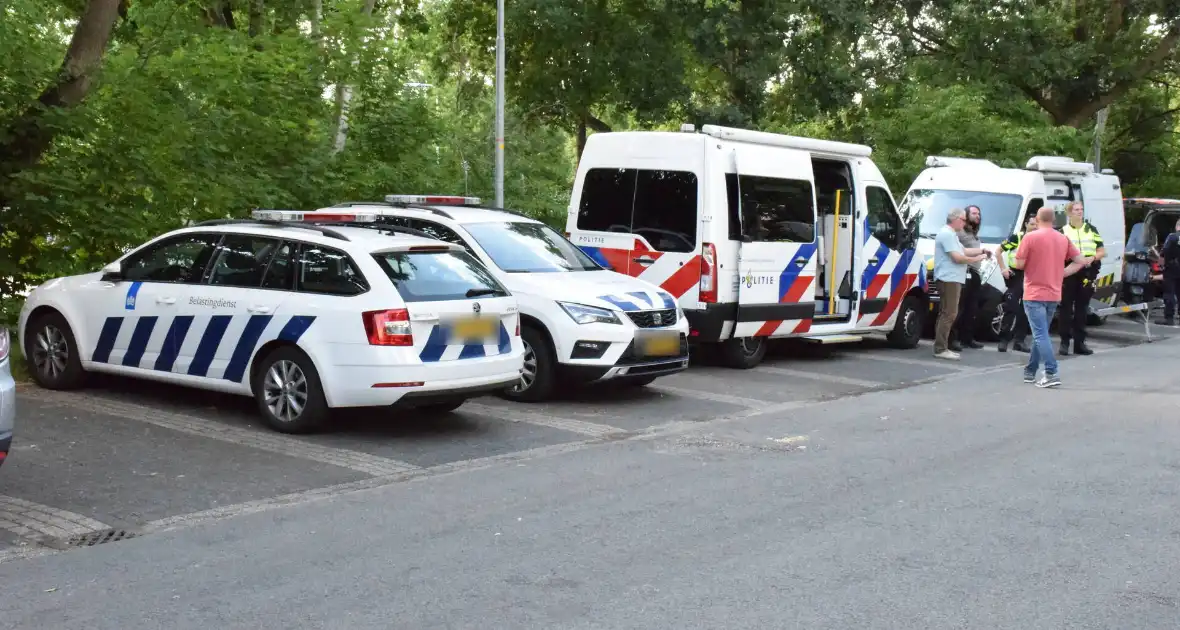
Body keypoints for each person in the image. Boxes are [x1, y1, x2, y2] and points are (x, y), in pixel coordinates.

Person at [1013, 206, 1091, 388]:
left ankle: (1051, 372)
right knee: (1041, 334)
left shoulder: (1030, 237)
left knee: (1040, 334)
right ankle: (1030, 371)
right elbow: (1081, 261)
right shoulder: (1063, 238)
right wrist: (1061, 273)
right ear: (1054, 220)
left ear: (1038, 220)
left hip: (1034, 292)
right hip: (1054, 293)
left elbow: (1019, 264)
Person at [933, 208, 989, 360]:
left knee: (948, 312)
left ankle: (941, 346)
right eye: (963, 220)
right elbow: (957, 257)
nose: (964, 223)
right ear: (956, 219)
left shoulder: (951, 235)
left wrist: (980, 251)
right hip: (948, 278)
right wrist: (978, 259)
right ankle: (940, 348)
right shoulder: (947, 234)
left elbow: (964, 250)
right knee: (949, 313)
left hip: (952, 278)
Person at [1057, 201, 1105, 356]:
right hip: (1069, 271)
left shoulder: (1091, 229)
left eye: (1081, 210)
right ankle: (1064, 343)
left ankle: (1080, 343)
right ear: (1069, 213)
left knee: (1082, 309)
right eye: (1076, 210)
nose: (1079, 212)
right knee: (1065, 308)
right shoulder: (1062, 231)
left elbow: (1102, 251)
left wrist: (1093, 258)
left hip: (1087, 272)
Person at [995, 213, 1039, 352]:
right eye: (1032, 224)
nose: (1034, 227)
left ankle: (1019, 341)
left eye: (1037, 224)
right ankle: (1003, 340)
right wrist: (1003, 269)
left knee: (1027, 310)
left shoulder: (1039, 240)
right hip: (1017, 275)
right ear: (1026, 224)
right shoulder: (1017, 237)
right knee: (1011, 307)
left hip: (1031, 276)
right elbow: (998, 251)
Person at [954, 205, 985, 349]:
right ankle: (953, 339)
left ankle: (967, 338)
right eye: (974, 213)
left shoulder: (974, 233)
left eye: (978, 213)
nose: (977, 216)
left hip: (975, 272)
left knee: (972, 308)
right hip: (964, 271)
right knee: (959, 307)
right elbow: (958, 252)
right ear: (966, 215)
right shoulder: (960, 233)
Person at [1157, 218, 1180, 326]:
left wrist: (1161, 265)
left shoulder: (1172, 237)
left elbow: (1164, 252)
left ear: (1177, 226)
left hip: (1172, 269)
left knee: (1169, 293)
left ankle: (1169, 318)